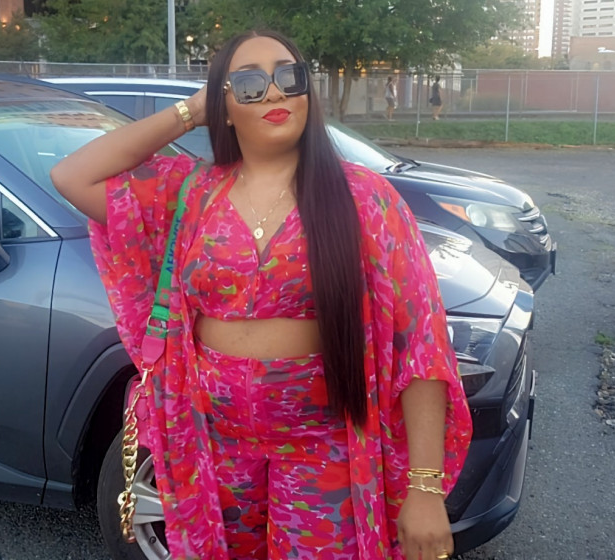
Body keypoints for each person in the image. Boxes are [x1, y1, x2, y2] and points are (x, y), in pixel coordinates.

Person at [51, 29, 471, 560]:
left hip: (324, 453)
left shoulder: (364, 199)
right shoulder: (190, 193)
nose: (274, 92)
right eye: (249, 83)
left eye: (289, 77)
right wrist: (190, 111)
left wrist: (425, 488)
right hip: (211, 451)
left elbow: (421, 343)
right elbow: (73, 176)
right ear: (223, 106)